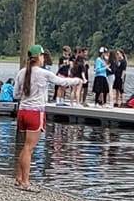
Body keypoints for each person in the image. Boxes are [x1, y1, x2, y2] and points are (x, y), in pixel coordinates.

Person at [13, 45, 83, 189]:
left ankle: (19, 177)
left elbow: (16, 95)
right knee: (29, 148)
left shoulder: (21, 72)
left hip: (22, 112)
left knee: (25, 147)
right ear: (39, 57)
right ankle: (25, 182)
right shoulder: (44, 73)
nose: (44, 58)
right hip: (35, 113)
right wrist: (77, 80)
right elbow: (62, 82)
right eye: (43, 56)